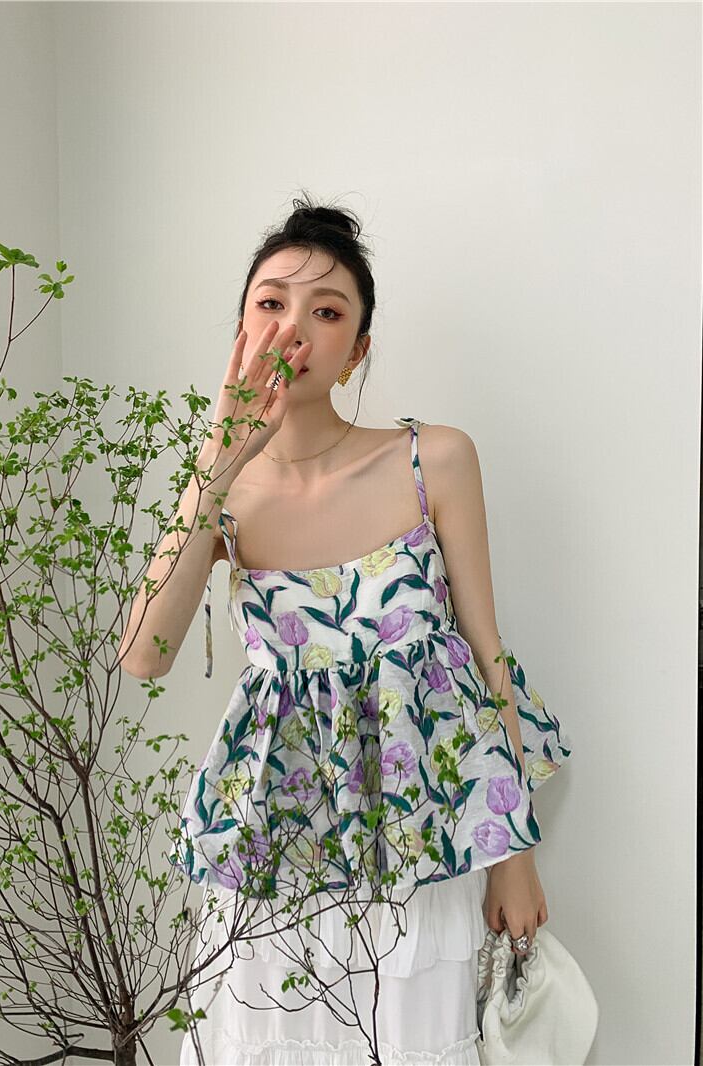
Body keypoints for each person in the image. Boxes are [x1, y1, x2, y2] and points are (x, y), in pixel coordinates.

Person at [119, 193, 573, 1065]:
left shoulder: (432, 459)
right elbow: (144, 657)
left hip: (418, 841)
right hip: (270, 847)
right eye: (271, 303)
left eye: (327, 312)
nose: (293, 328)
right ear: (241, 329)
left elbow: (487, 658)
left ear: (358, 349)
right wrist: (216, 460)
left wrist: (514, 855)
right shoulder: (221, 495)